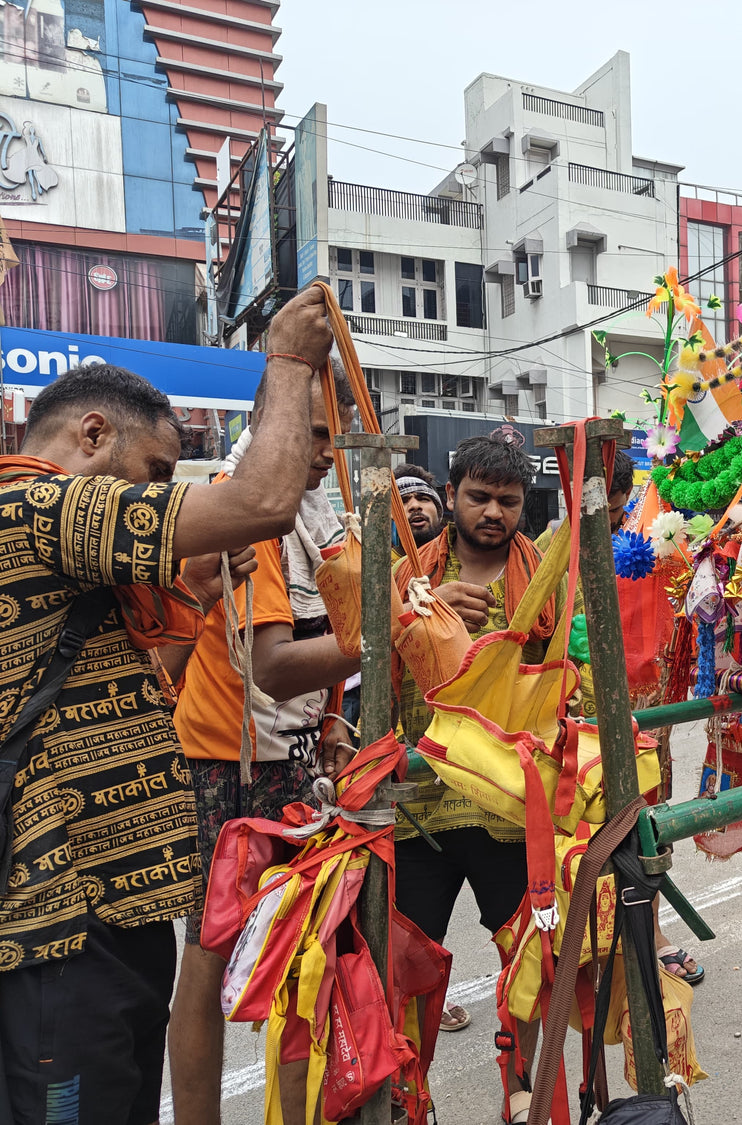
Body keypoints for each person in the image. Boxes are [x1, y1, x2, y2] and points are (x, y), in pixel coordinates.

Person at [0, 287, 330, 1125]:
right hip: (62, 926)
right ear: (92, 436)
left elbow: (157, 679)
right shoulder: (38, 505)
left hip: (110, 915)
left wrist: (187, 588)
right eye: (153, 475)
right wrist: (287, 358)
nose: (156, 495)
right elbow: (261, 502)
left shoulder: (81, 559)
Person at [166, 363, 363, 1125]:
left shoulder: (318, 508)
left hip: (293, 760)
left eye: (333, 435)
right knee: (211, 958)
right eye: (312, 432)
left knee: (298, 957)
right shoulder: (247, 503)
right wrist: (386, 635)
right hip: (223, 760)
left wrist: (336, 721)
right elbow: (278, 667)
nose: (323, 451)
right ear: (271, 423)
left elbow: (323, 644)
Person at [391, 428, 561, 1119]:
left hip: (508, 805)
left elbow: (561, 677)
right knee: (403, 963)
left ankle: (521, 1091)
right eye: (480, 497)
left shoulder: (545, 576)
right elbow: (374, 663)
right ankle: (407, 1095)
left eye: (509, 501)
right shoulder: (410, 572)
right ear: (452, 493)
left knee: (527, 957)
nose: (494, 512)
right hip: (421, 803)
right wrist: (418, 620)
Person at [538, 449, 703, 986]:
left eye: (610, 506)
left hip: (641, 724)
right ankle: (579, 944)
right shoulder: (542, 554)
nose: (600, 517)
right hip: (566, 731)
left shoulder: (650, 550)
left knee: (647, 835)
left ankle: (650, 935)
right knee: (572, 841)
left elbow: (673, 639)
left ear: (621, 501)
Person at [395, 462, 447, 553]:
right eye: (403, 501)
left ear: (438, 511)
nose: (415, 506)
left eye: (423, 499)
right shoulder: (376, 564)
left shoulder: (467, 557)